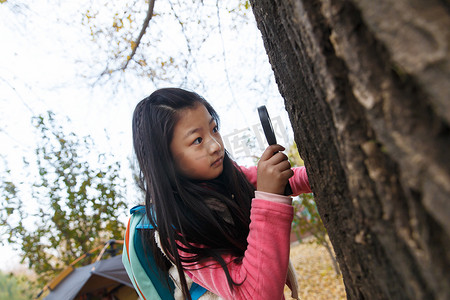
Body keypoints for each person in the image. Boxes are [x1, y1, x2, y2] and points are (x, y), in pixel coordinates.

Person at [131, 88, 312, 300]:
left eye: (214, 129)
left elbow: (289, 180)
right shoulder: (177, 233)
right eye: (197, 140)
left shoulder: (231, 177)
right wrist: (268, 198)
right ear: (165, 161)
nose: (216, 146)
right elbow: (255, 295)